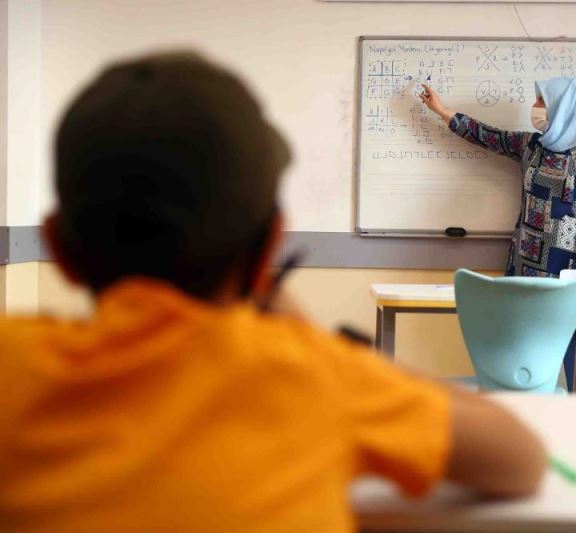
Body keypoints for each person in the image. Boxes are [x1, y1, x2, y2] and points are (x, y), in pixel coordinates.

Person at [0, 52, 547, 532]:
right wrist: (314, 340)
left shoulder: (13, 365)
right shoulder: (313, 374)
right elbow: (521, 459)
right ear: (268, 250)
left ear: (59, 248)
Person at [420, 78, 576, 392]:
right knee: (522, 363)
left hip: (573, 272)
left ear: (564, 107)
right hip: (526, 267)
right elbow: (487, 135)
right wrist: (442, 110)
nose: (535, 107)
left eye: (542, 101)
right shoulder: (531, 146)